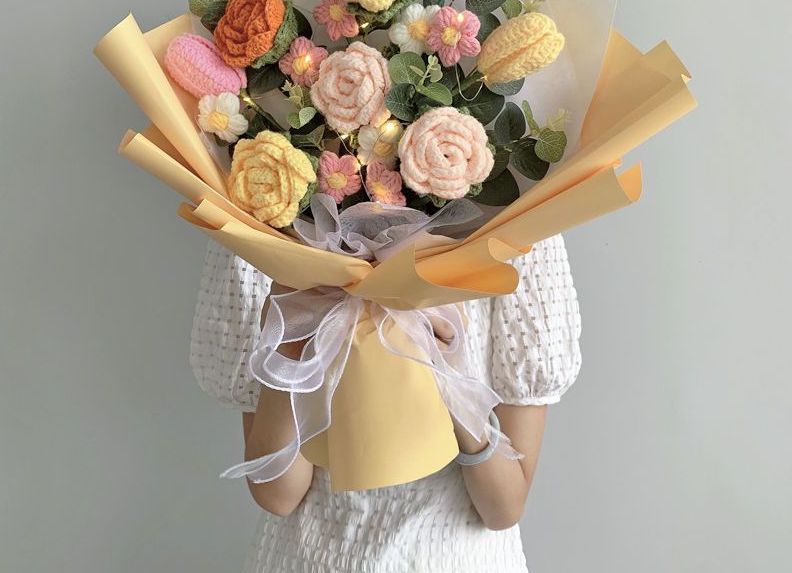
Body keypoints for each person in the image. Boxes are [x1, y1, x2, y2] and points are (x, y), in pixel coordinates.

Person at [191, 234, 581, 572]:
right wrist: (288, 350)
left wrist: (450, 375)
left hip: (455, 559)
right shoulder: (263, 220)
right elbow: (278, 496)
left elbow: (504, 508)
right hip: (310, 558)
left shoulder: (518, 229)